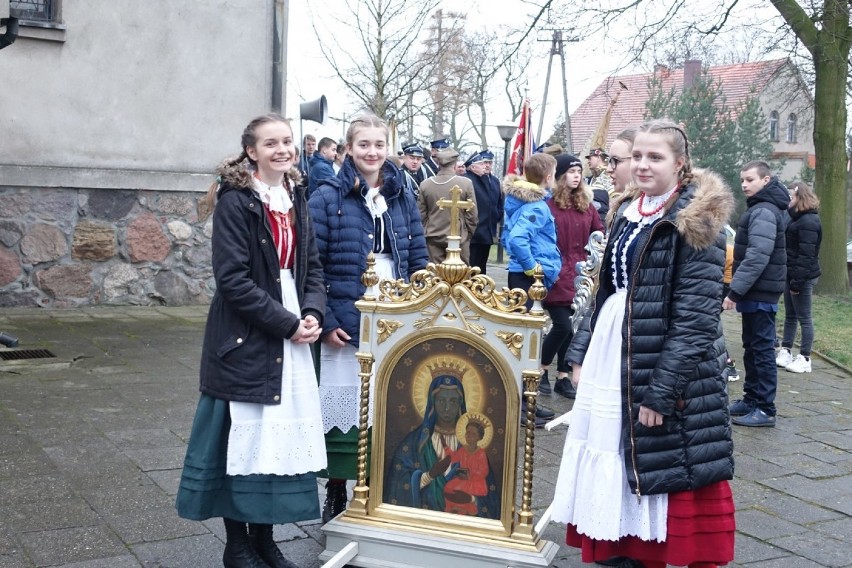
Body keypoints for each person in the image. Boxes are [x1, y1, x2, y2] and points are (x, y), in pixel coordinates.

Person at [553, 119, 736, 568]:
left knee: (661, 452)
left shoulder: (697, 220)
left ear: (680, 163)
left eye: (655, 157)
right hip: (612, 349)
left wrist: (661, 390)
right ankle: (621, 545)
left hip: (663, 357)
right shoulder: (627, 209)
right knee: (614, 446)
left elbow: (695, 319)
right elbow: (604, 290)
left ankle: (653, 548)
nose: (642, 164)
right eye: (637, 156)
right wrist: (579, 351)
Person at [176, 114, 327, 568]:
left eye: (287, 141)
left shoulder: (297, 196)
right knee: (239, 439)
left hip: (293, 329)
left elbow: (312, 266)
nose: (282, 149)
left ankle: (265, 540)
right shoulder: (237, 201)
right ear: (251, 151)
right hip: (247, 332)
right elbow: (232, 281)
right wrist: (287, 323)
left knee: (275, 443)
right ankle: (237, 544)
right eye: (270, 143)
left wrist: (314, 312)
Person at [308, 114, 428, 523]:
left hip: (395, 304)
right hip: (347, 306)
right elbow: (313, 263)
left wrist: (420, 306)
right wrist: (324, 319)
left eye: (379, 144)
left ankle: (381, 484)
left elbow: (416, 257)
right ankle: (338, 490)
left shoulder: (402, 195)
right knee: (345, 405)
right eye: (363, 145)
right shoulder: (326, 196)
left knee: (389, 399)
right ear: (348, 149)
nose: (372, 152)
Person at [723, 160, 789, 428]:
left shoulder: (763, 211)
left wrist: (735, 291)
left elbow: (757, 256)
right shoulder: (761, 209)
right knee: (752, 347)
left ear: (766, 180)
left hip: (760, 292)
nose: (744, 184)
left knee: (761, 349)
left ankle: (765, 407)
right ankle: (751, 399)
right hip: (757, 291)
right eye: (742, 180)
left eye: (750, 180)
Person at [384, 375, 500, 518]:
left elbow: (489, 496)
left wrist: (470, 499)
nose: (446, 408)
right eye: (441, 400)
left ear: (460, 403)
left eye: (453, 401)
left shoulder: (472, 446)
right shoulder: (415, 442)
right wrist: (430, 475)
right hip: (423, 521)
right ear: (432, 403)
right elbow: (398, 483)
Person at [540, 153, 604, 399]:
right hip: (556, 271)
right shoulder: (549, 206)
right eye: (571, 171)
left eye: (579, 171)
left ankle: (563, 376)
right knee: (562, 325)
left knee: (574, 327)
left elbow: (598, 232)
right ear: (560, 175)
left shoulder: (587, 206)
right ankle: (541, 369)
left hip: (582, 274)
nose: (577, 175)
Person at [776, 181, 822, 374]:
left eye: (791, 197)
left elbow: (806, 255)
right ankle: (786, 350)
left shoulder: (808, 222)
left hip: (801, 276)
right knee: (790, 316)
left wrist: (797, 282)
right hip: (791, 273)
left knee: (804, 317)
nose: (789, 200)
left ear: (799, 197)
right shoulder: (795, 218)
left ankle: (804, 357)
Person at [501, 152, 562, 295]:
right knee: (528, 316)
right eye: (554, 174)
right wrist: (532, 268)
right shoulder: (537, 207)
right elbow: (516, 238)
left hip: (518, 271)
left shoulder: (519, 202)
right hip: (528, 275)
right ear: (548, 178)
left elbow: (506, 237)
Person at [418, 147, 478, 264]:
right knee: (460, 277)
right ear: (455, 165)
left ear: (439, 164)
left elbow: (421, 215)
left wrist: (427, 230)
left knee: (435, 277)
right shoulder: (466, 184)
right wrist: (467, 233)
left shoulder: (426, 184)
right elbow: (472, 215)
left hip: (433, 236)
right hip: (459, 238)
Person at [443, 417, 492, 516]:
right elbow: (454, 458)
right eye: (468, 433)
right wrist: (445, 447)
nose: (470, 436)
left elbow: (484, 470)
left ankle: (469, 506)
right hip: (463, 479)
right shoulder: (463, 449)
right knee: (448, 487)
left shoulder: (481, 453)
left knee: (460, 490)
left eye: (473, 434)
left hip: (476, 482)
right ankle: (452, 509)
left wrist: (472, 475)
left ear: (480, 437)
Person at [465, 152, 503, 274]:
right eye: (483, 163)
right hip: (473, 232)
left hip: (487, 231)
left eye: (489, 163)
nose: (487, 166)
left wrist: (497, 215)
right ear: (472, 166)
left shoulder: (495, 181)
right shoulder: (468, 180)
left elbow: (499, 203)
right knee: (471, 267)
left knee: (481, 268)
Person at [585, 148, 612, 228]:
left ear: (599, 157)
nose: (588, 161)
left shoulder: (608, 175)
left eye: (590, 158)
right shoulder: (589, 179)